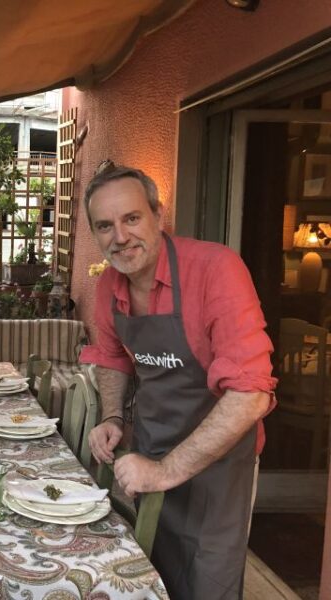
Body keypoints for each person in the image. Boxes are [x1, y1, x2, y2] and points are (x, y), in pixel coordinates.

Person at [80, 163, 276, 599]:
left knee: (209, 580)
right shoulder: (110, 283)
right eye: (105, 225)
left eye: (132, 218)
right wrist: (112, 416)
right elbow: (112, 357)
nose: (121, 237)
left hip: (220, 464)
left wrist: (166, 471)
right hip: (153, 444)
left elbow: (251, 394)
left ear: (157, 215)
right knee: (155, 568)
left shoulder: (216, 269)